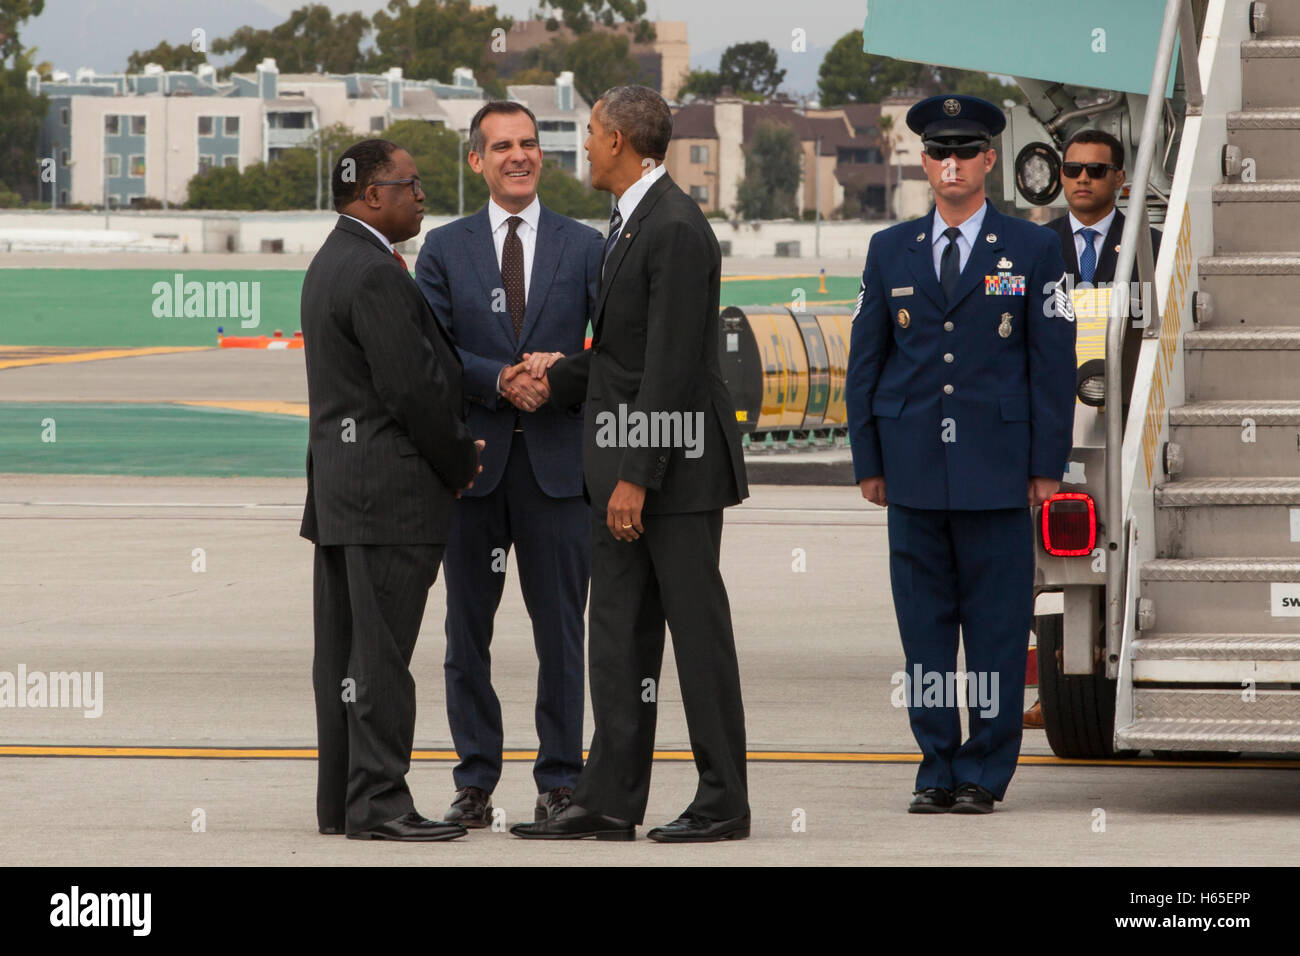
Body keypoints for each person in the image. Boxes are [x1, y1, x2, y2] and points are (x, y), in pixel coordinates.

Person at [509, 85, 751, 843]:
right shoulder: (630, 223)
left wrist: (637, 475)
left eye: (588, 133)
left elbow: (674, 366)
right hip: (626, 467)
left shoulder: (673, 227)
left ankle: (724, 802)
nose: (581, 146)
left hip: (668, 475)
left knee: (696, 635)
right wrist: (555, 375)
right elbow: (623, 359)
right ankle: (607, 799)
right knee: (616, 638)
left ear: (616, 139)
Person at [846, 94, 1076, 814]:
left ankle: (983, 770)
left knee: (998, 631)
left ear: (988, 162)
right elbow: (867, 360)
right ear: (924, 162)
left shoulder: (1035, 248)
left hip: (998, 469)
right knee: (924, 633)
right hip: (912, 469)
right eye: (940, 153)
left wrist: (1046, 464)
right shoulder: (891, 250)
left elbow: (1053, 364)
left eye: (966, 153)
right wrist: (868, 461)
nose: (953, 164)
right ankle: (935, 764)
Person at [414, 101, 603, 828]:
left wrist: (559, 373)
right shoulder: (444, 247)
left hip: (559, 469)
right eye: (501, 147)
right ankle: (474, 778)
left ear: (541, 157)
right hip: (475, 468)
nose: (518, 156)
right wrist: (499, 378)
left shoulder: (584, 246)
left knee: (561, 634)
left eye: (528, 144)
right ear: (476, 161)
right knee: (468, 635)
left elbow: (612, 344)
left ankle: (561, 778)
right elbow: (430, 348)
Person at [300, 139, 483, 841]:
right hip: (389, 500)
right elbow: (411, 389)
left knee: (346, 659)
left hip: (347, 497)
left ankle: (343, 800)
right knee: (381, 661)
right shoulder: (374, 272)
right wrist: (460, 459)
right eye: (411, 185)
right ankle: (379, 803)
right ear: (372, 195)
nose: (422, 195)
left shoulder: (332, 260)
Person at [1025, 128, 1159, 730]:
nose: (1082, 179)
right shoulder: (1032, 246)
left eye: (1096, 171)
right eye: (1072, 169)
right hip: (1049, 423)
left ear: (1120, 180)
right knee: (1041, 562)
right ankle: (1047, 680)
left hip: (1128, 421)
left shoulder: (1150, 245)